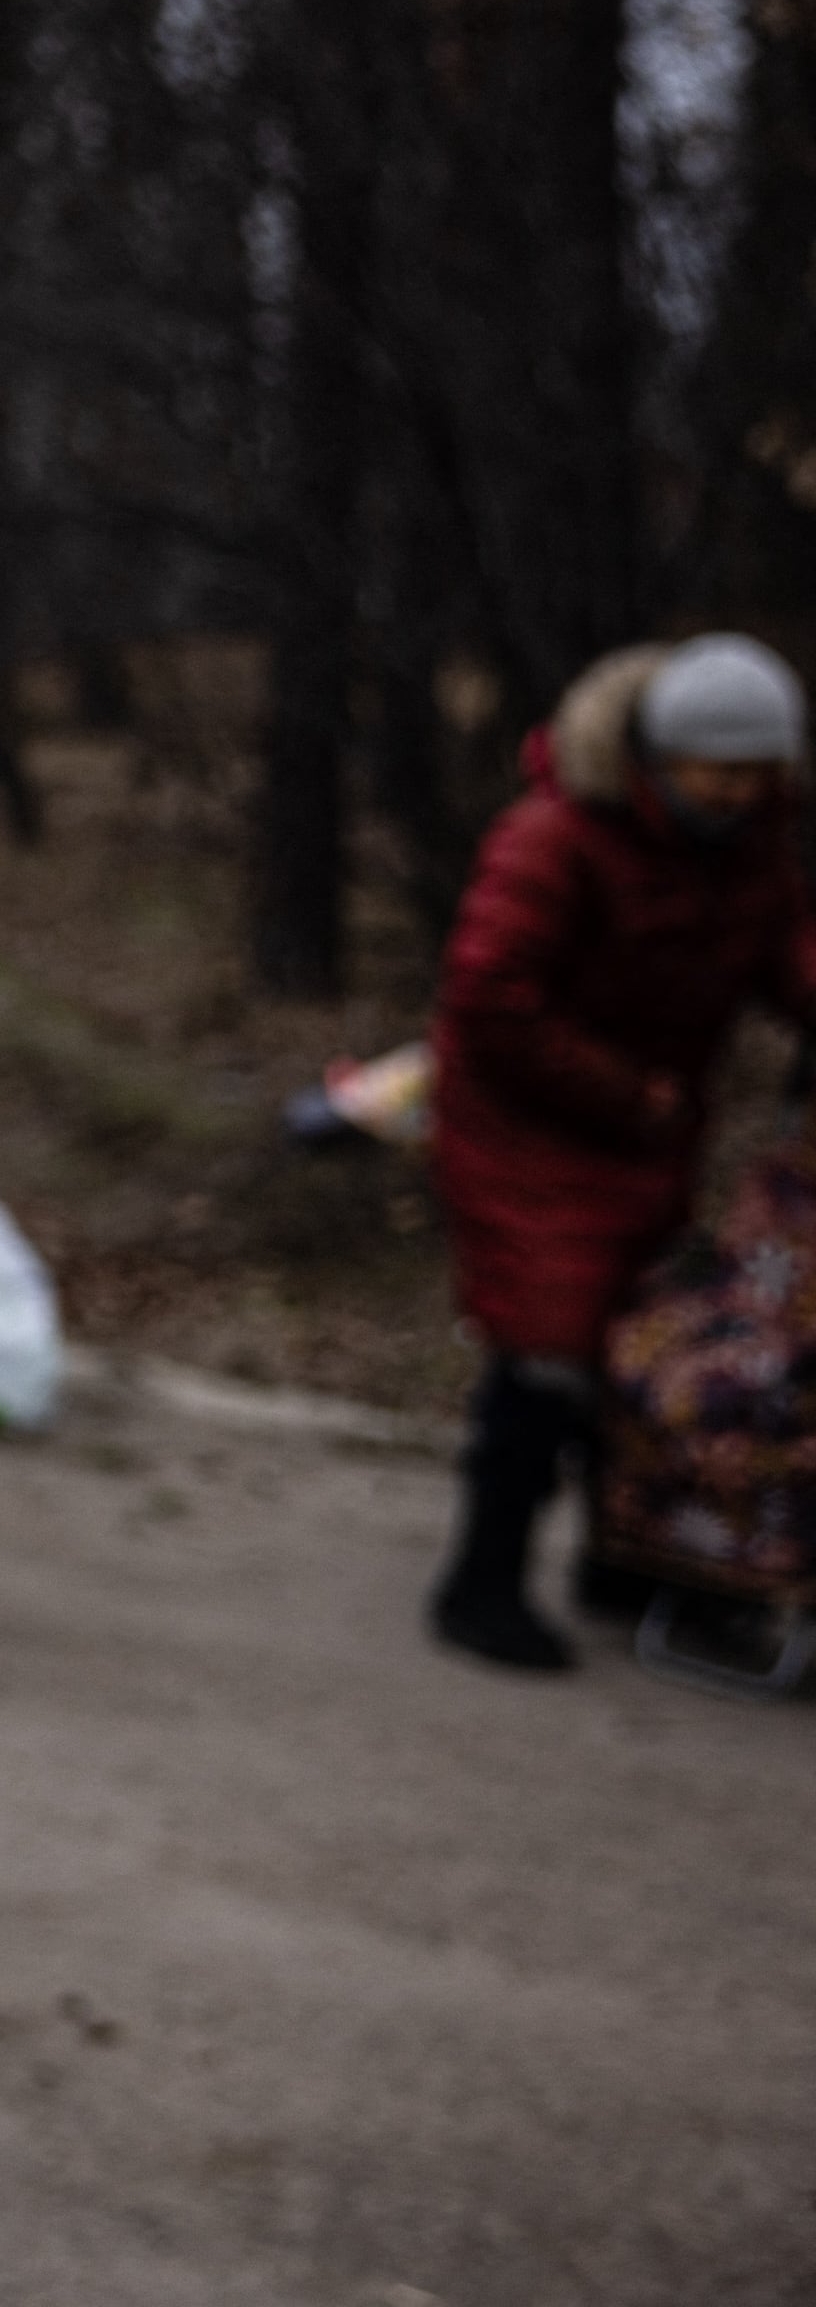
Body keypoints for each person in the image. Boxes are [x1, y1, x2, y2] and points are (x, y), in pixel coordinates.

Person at [425, 631, 816, 1672]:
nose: (737, 791)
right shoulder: (552, 838)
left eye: (757, 771)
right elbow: (489, 996)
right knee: (545, 1348)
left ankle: (627, 1566)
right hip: (525, 1124)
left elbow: (790, 957)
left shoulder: (753, 850)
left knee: (641, 1347)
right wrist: (625, 1090)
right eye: (718, 769)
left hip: (649, 1128)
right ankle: (481, 1582)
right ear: (659, 755)